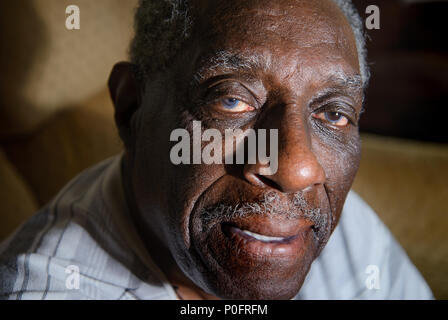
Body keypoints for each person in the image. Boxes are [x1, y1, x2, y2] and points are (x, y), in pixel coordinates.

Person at [0, 0, 433, 300]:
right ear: (132, 108)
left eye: (334, 114)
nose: (299, 169)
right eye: (232, 100)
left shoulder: (305, 221)